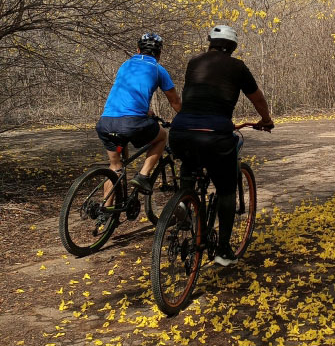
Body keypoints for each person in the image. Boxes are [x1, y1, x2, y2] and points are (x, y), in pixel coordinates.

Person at [169, 25, 273, 266]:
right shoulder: (237, 67)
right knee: (226, 189)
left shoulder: (194, 62)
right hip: (215, 135)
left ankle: (185, 201)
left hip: (180, 131)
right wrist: (266, 120)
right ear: (232, 47)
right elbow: (256, 98)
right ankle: (224, 250)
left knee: (189, 159)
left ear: (210, 43)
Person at [96, 33, 182, 198]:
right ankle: (143, 175)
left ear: (137, 50)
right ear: (159, 54)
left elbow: (127, 96)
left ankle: (105, 211)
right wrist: (187, 118)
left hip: (106, 122)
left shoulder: (126, 65)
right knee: (162, 136)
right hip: (131, 123)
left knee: (114, 167)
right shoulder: (158, 69)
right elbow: (175, 102)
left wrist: (145, 111)